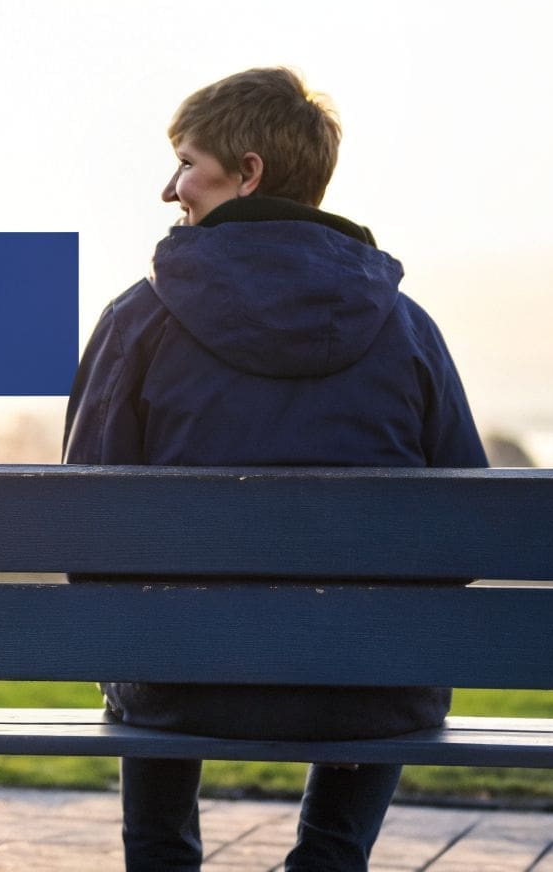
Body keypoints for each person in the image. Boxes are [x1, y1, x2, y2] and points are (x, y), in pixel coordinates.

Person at [61, 67, 488, 871]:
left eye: (186, 161)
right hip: (368, 690)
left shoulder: (139, 318)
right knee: (385, 654)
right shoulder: (405, 327)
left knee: (150, 625)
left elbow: (87, 527)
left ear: (247, 171)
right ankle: (327, 859)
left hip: (183, 685)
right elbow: (465, 537)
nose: (170, 188)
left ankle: (162, 862)